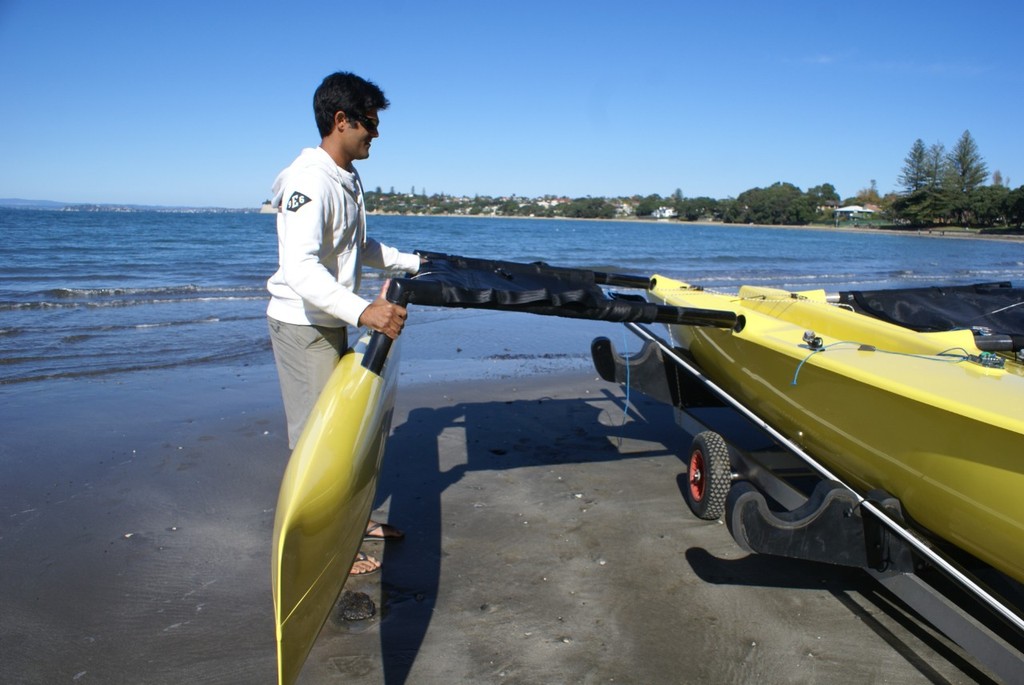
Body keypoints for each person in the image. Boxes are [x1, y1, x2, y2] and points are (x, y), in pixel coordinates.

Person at [267, 71, 417, 575]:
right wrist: (363, 310)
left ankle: (356, 520)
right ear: (341, 120)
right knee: (318, 440)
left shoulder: (346, 177)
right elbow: (301, 268)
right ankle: (325, 546)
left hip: (330, 318)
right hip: (303, 325)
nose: (376, 133)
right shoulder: (308, 181)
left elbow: (355, 247)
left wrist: (411, 263)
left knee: (349, 427)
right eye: (370, 124)